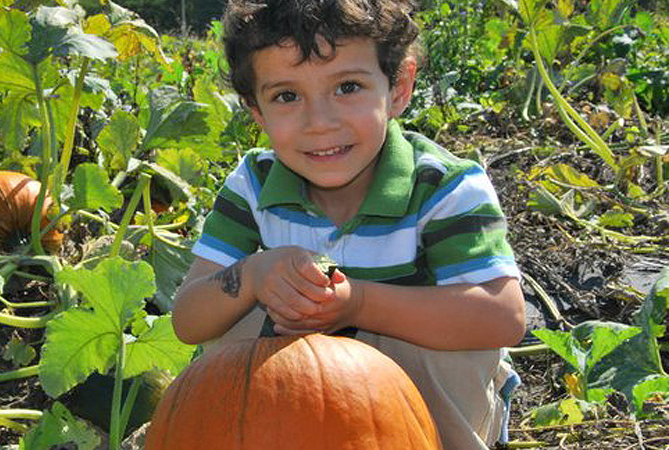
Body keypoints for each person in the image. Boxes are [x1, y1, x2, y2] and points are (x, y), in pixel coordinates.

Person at [170, 0, 526, 448]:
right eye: (287, 96)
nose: (320, 122)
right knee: (236, 318)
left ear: (398, 88)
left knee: (450, 349)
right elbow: (188, 321)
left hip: (423, 416)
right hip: (304, 413)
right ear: (256, 111)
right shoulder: (253, 186)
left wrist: (356, 303)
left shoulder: (444, 186)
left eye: (348, 88)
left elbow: (503, 316)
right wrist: (254, 276)